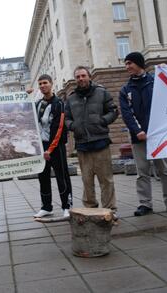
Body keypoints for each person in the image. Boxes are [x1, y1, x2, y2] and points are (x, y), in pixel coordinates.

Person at [119, 52, 167, 216]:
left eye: (129, 63)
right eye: (126, 64)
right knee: (142, 172)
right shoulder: (125, 90)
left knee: (165, 170)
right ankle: (145, 204)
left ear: (139, 64)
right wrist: (137, 131)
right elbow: (126, 114)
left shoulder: (156, 82)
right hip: (138, 138)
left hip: (159, 135)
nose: (127, 67)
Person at [65, 66, 119, 218]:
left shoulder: (101, 92)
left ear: (89, 76)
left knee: (106, 180)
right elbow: (66, 118)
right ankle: (90, 210)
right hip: (82, 146)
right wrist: (72, 126)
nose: (80, 79)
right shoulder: (71, 98)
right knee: (87, 181)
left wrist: (103, 120)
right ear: (75, 79)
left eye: (83, 76)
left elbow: (113, 111)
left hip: (101, 142)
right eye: (78, 77)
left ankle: (110, 211)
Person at [32, 74, 72, 218]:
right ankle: (46, 206)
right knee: (42, 176)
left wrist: (50, 148)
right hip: (41, 146)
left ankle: (67, 206)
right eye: (40, 84)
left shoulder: (59, 103)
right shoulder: (37, 104)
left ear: (51, 84)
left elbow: (59, 128)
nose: (43, 86)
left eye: (45, 83)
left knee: (62, 176)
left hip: (56, 147)